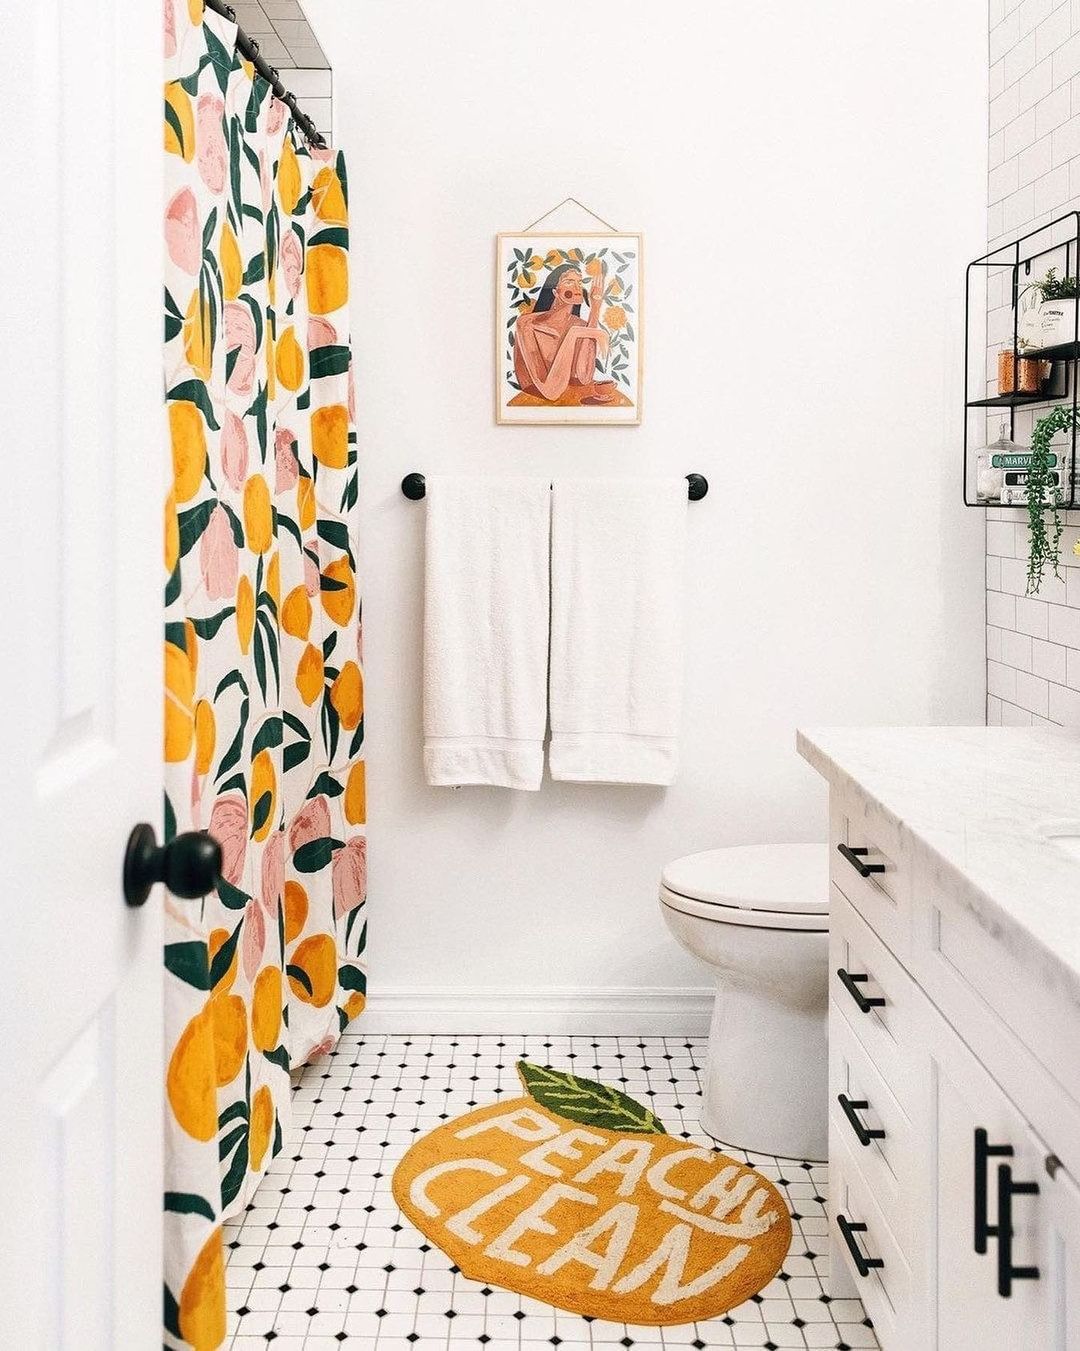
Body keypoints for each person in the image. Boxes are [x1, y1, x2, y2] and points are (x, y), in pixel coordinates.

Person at [513, 260, 617, 403]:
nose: (577, 287)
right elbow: (551, 391)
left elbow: (583, 378)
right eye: (569, 281)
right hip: (536, 401)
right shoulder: (527, 324)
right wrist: (574, 334)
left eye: (580, 283)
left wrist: (595, 308)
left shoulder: (580, 326)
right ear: (555, 291)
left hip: (568, 399)